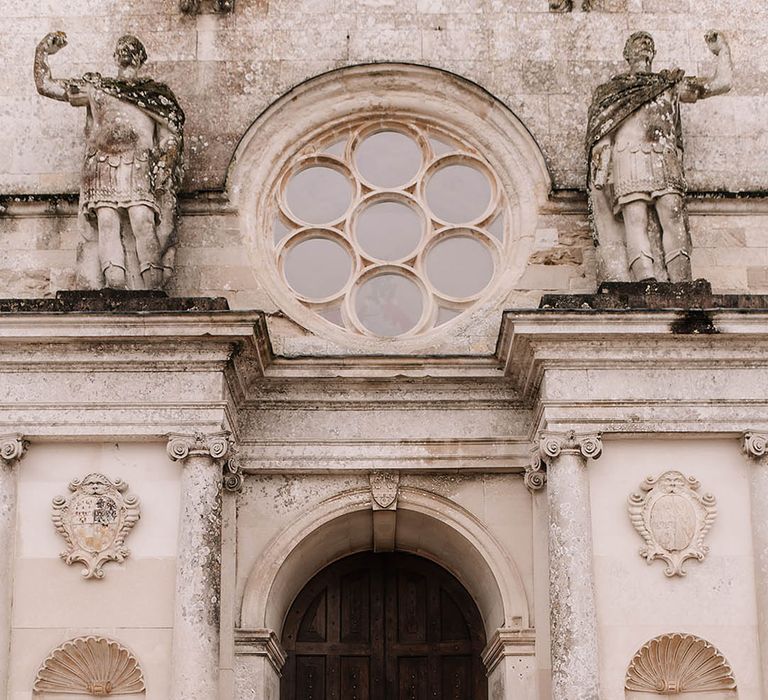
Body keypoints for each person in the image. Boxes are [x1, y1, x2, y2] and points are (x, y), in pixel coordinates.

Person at [35, 32, 185, 290]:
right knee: (106, 221)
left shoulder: (155, 95)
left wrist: (164, 164)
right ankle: (114, 281)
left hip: (139, 164)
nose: (126, 50)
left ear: (140, 59)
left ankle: (151, 284)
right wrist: (42, 53)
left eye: (132, 48)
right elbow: (46, 85)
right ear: (116, 56)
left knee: (142, 219)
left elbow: (170, 136)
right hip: (103, 163)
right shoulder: (97, 88)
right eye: (122, 48)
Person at [586, 31, 732, 282]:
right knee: (635, 217)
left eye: (648, 42)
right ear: (627, 53)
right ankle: (644, 280)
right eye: (637, 42)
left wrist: (723, 51)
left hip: (663, 155)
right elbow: (603, 132)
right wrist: (601, 166)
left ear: (653, 52)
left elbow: (721, 84)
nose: (643, 45)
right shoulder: (612, 90)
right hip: (627, 154)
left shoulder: (668, 84)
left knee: (673, 213)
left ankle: (682, 282)